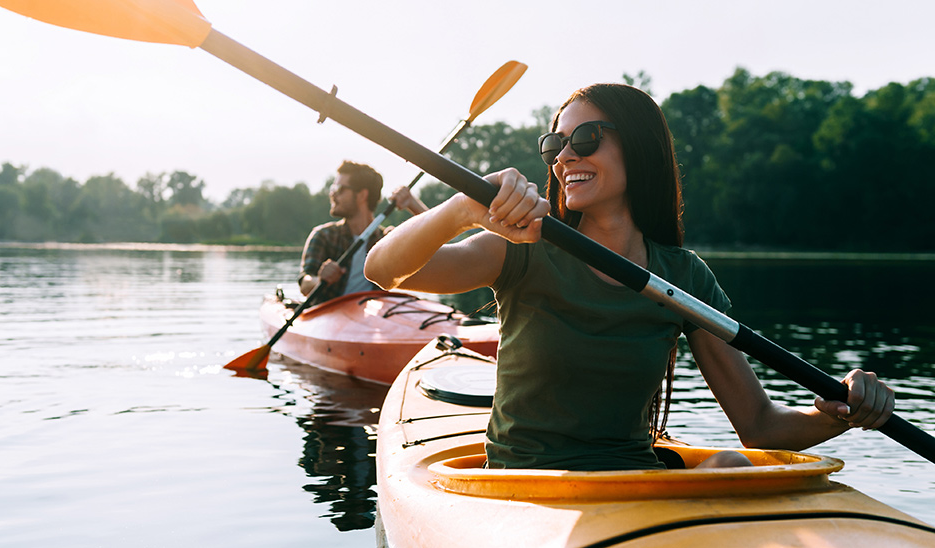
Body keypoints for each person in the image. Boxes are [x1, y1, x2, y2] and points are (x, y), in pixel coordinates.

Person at [364, 83, 895, 471]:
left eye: (587, 138)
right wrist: (461, 208)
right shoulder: (523, 247)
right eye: (555, 146)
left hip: (634, 484)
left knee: (731, 463)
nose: (566, 155)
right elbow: (382, 270)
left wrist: (842, 411)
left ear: (638, 146)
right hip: (523, 486)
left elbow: (759, 425)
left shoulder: (683, 278)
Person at [298, 160, 427, 304]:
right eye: (332, 188)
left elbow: (436, 237)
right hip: (328, 315)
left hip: (372, 318)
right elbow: (305, 284)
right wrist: (320, 280)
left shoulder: (387, 240)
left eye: (339, 189)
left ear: (362, 195)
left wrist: (412, 203)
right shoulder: (323, 236)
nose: (333, 195)